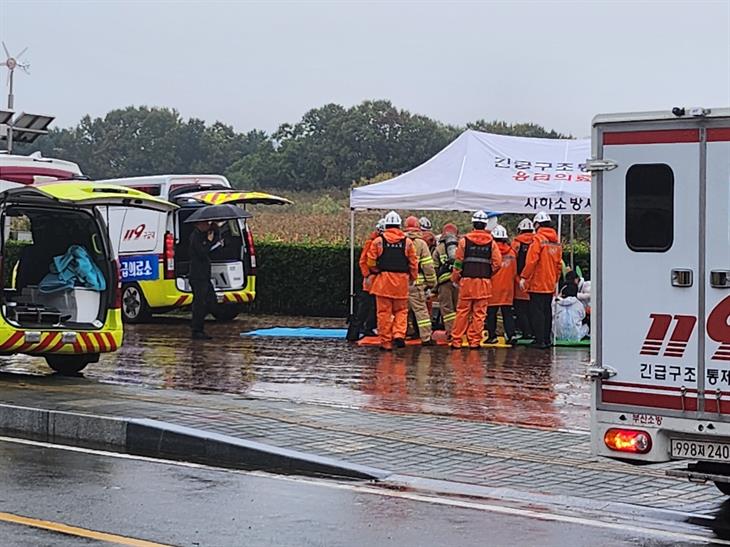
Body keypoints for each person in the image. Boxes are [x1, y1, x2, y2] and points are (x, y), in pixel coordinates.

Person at [366, 211, 418, 350]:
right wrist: (413, 277)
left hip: (383, 282)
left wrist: (376, 270)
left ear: (386, 225)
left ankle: (386, 342)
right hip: (401, 282)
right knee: (401, 311)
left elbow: (370, 262)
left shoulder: (378, 241)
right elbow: (413, 263)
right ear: (399, 225)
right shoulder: (407, 243)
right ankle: (399, 335)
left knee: (384, 313)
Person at [450, 211, 502, 349]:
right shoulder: (491, 243)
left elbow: (458, 263)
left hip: (466, 282)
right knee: (479, 314)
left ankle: (456, 341)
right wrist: (489, 273)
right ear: (485, 224)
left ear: (473, 223)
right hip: (483, 282)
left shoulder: (464, 241)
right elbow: (498, 263)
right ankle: (474, 341)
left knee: (462, 312)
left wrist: (455, 278)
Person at [518, 211, 563, 349]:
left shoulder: (538, 239)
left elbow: (532, 260)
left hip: (537, 282)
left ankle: (539, 340)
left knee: (537, 312)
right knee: (547, 311)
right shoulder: (556, 241)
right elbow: (559, 264)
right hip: (550, 282)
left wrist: (524, 277)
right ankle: (546, 339)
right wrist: (556, 279)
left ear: (537, 224)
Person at [348, 218, 384, 340]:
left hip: (377, 280)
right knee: (365, 307)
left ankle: (369, 329)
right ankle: (355, 333)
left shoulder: (378, 241)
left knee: (373, 307)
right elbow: (363, 261)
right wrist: (367, 275)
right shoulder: (372, 242)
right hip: (371, 280)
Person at [404, 216, 437, 345]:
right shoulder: (421, 243)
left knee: (401, 312)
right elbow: (428, 266)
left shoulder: (400, 241)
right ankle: (426, 338)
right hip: (416, 284)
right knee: (421, 312)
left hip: (399, 283)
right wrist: (432, 283)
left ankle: (399, 335)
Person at [189, 220, 221, 340]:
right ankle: (197, 330)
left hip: (205, 276)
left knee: (211, 302)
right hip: (197, 276)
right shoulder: (195, 237)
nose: (207, 225)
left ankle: (196, 324)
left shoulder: (202, 235)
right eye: (205, 224)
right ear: (198, 224)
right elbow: (202, 252)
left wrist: (214, 232)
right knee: (199, 303)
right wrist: (208, 241)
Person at [485, 225, 516, 344]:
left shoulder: (491, 251)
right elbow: (514, 272)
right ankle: (511, 335)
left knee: (491, 313)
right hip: (508, 287)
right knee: (507, 313)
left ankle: (492, 336)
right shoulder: (512, 253)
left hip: (493, 287)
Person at [432, 223, 460, 338]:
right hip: (458, 282)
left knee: (447, 309)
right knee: (459, 308)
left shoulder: (438, 249)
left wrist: (434, 287)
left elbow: (434, 268)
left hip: (444, 283)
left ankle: (451, 332)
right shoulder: (460, 247)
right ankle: (461, 331)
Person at [512, 218, 535, 339]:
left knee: (520, 309)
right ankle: (534, 332)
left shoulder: (516, 243)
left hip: (519, 280)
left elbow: (512, 262)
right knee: (533, 309)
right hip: (535, 281)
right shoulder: (538, 242)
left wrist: (517, 278)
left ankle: (526, 332)